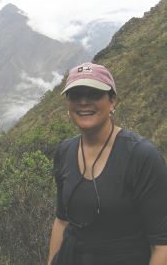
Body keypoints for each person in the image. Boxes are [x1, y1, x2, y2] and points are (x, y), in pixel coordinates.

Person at [47, 62, 167, 265]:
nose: (84, 101)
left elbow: (162, 245)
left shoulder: (141, 156)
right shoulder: (65, 151)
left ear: (113, 101)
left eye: (94, 94)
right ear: (68, 105)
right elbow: (62, 221)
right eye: (76, 95)